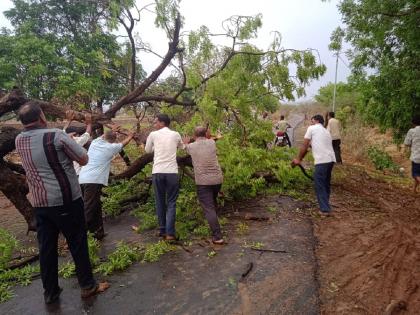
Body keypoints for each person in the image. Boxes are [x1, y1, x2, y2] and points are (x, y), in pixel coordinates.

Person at [15, 102, 107, 304]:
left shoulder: (19, 139)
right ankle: (88, 286)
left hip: (39, 203)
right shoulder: (55, 135)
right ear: (41, 117)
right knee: (77, 242)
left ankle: (50, 293)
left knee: (46, 248)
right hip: (65, 201)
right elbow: (83, 159)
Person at [78, 127, 134, 240]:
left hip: (83, 178)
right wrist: (130, 136)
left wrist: (113, 130)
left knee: (96, 206)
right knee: (88, 208)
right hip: (93, 181)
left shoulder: (95, 142)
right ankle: (79, 236)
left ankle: (98, 232)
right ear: (113, 140)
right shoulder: (111, 147)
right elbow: (123, 143)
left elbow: (103, 136)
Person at [183, 126, 224, 244]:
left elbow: (185, 148)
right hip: (217, 179)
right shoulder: (212, 143)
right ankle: (215, 223)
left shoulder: (190, 147)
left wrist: (185, 143)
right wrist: (208, 134)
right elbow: (212, 137)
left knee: (209, 208)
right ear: (206, 134)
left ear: (194, 135)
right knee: (212, 202)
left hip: (203, 182)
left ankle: (217, 236)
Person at [145, 114, 183, 241]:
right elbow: (182, 147)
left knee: (160, 201)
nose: (155, 124)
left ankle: (162, 230)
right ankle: (170, 234)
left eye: (156, 122)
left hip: (158, 171)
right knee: (171, 202)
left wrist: (155, 146)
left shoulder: (153, 135)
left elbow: (147, 151)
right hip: (172, 172)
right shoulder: (176, 134)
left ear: (162, 123)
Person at [292, 114, 336, 215]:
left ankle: (325, 209)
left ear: (315, 121)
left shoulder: (312, 128)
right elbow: (309, 148)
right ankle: (326, 205)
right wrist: (299, 159)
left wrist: (298, 159)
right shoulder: (326, 131)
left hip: (322, 160)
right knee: (325, 183)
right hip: (331, 159)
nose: (311, 123)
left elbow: (305, 145)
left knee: (319, 184)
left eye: (312, 121)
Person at [63, 110, 92, 175]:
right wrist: (89, 123)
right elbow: (87, 134)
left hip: (66, 173)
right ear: (74, 135)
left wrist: (68, 120)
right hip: (77, 173)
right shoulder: (76, 142)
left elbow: (63, 131)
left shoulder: (62, 138)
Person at [404, 115, 420, 193]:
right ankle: (414, 189)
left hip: (417, 157)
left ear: (413, 123)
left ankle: (414, 189)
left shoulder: (412, 131)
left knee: (415, 174)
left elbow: (407, 143)